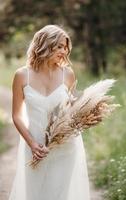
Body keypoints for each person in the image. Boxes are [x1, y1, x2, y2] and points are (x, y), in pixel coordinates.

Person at [9, 24, 90, 200]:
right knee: (35, 194)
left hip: (65, 145)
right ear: (45, 44)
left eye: (65, 47)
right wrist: (32, 143)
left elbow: (74, 108)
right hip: (35, 146)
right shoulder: (22, 76)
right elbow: (16, 115)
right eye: (59, 46)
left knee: (60, 195)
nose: (64, 51)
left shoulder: (67, 74)